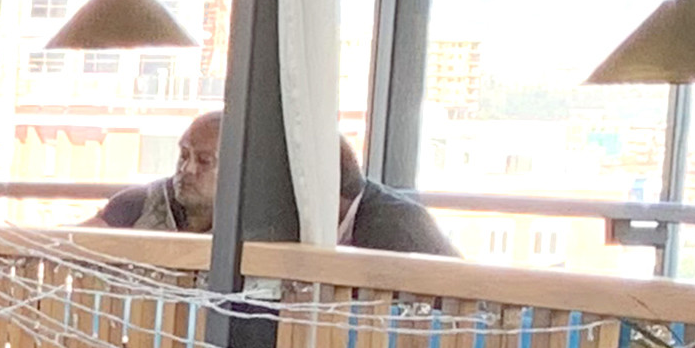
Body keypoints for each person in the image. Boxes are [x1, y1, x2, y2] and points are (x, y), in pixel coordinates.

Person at [91, 110, 456, 256]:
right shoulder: (143, 202)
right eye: (183, 156)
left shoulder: (394, 225)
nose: (186, 170)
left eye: (204, 161)